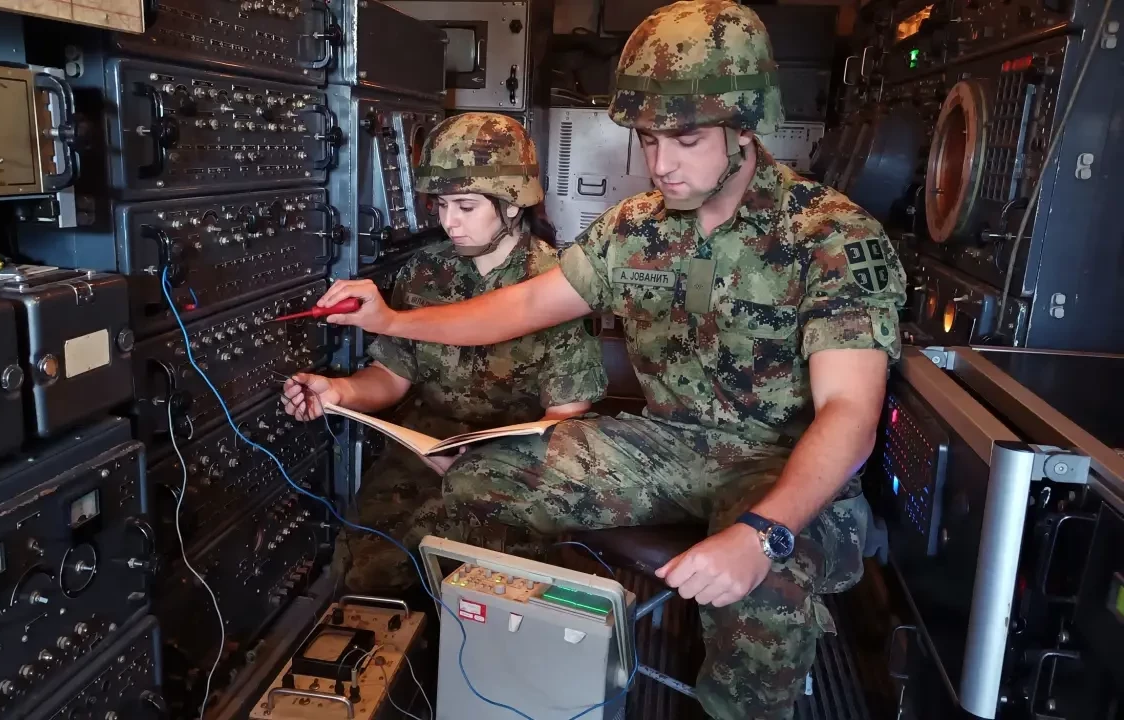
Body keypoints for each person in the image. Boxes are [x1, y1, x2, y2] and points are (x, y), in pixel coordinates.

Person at [312, 1, 907, 717]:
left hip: (782, 464)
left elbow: (849, 414)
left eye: (686, 139)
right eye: (649, 139)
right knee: (479, 481)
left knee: (765, 587)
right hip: (666, 445)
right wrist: (394, 319)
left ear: (746, 123)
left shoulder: (832, 235)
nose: (661, 164)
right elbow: (522, 307)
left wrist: (764, 531)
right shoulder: (636, 228)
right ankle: (521, 684)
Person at [282, 112, 607, 594]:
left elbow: (566, 416)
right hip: (424, 450)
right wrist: (339, 392)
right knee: (368, 568)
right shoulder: (425, 272)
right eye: (441, 205)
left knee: (491, 589)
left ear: (512, 204)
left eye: (466, 206)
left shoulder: (558, 285)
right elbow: (392, 376)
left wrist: (489, 462)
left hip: (515, 462)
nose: (449, 222)